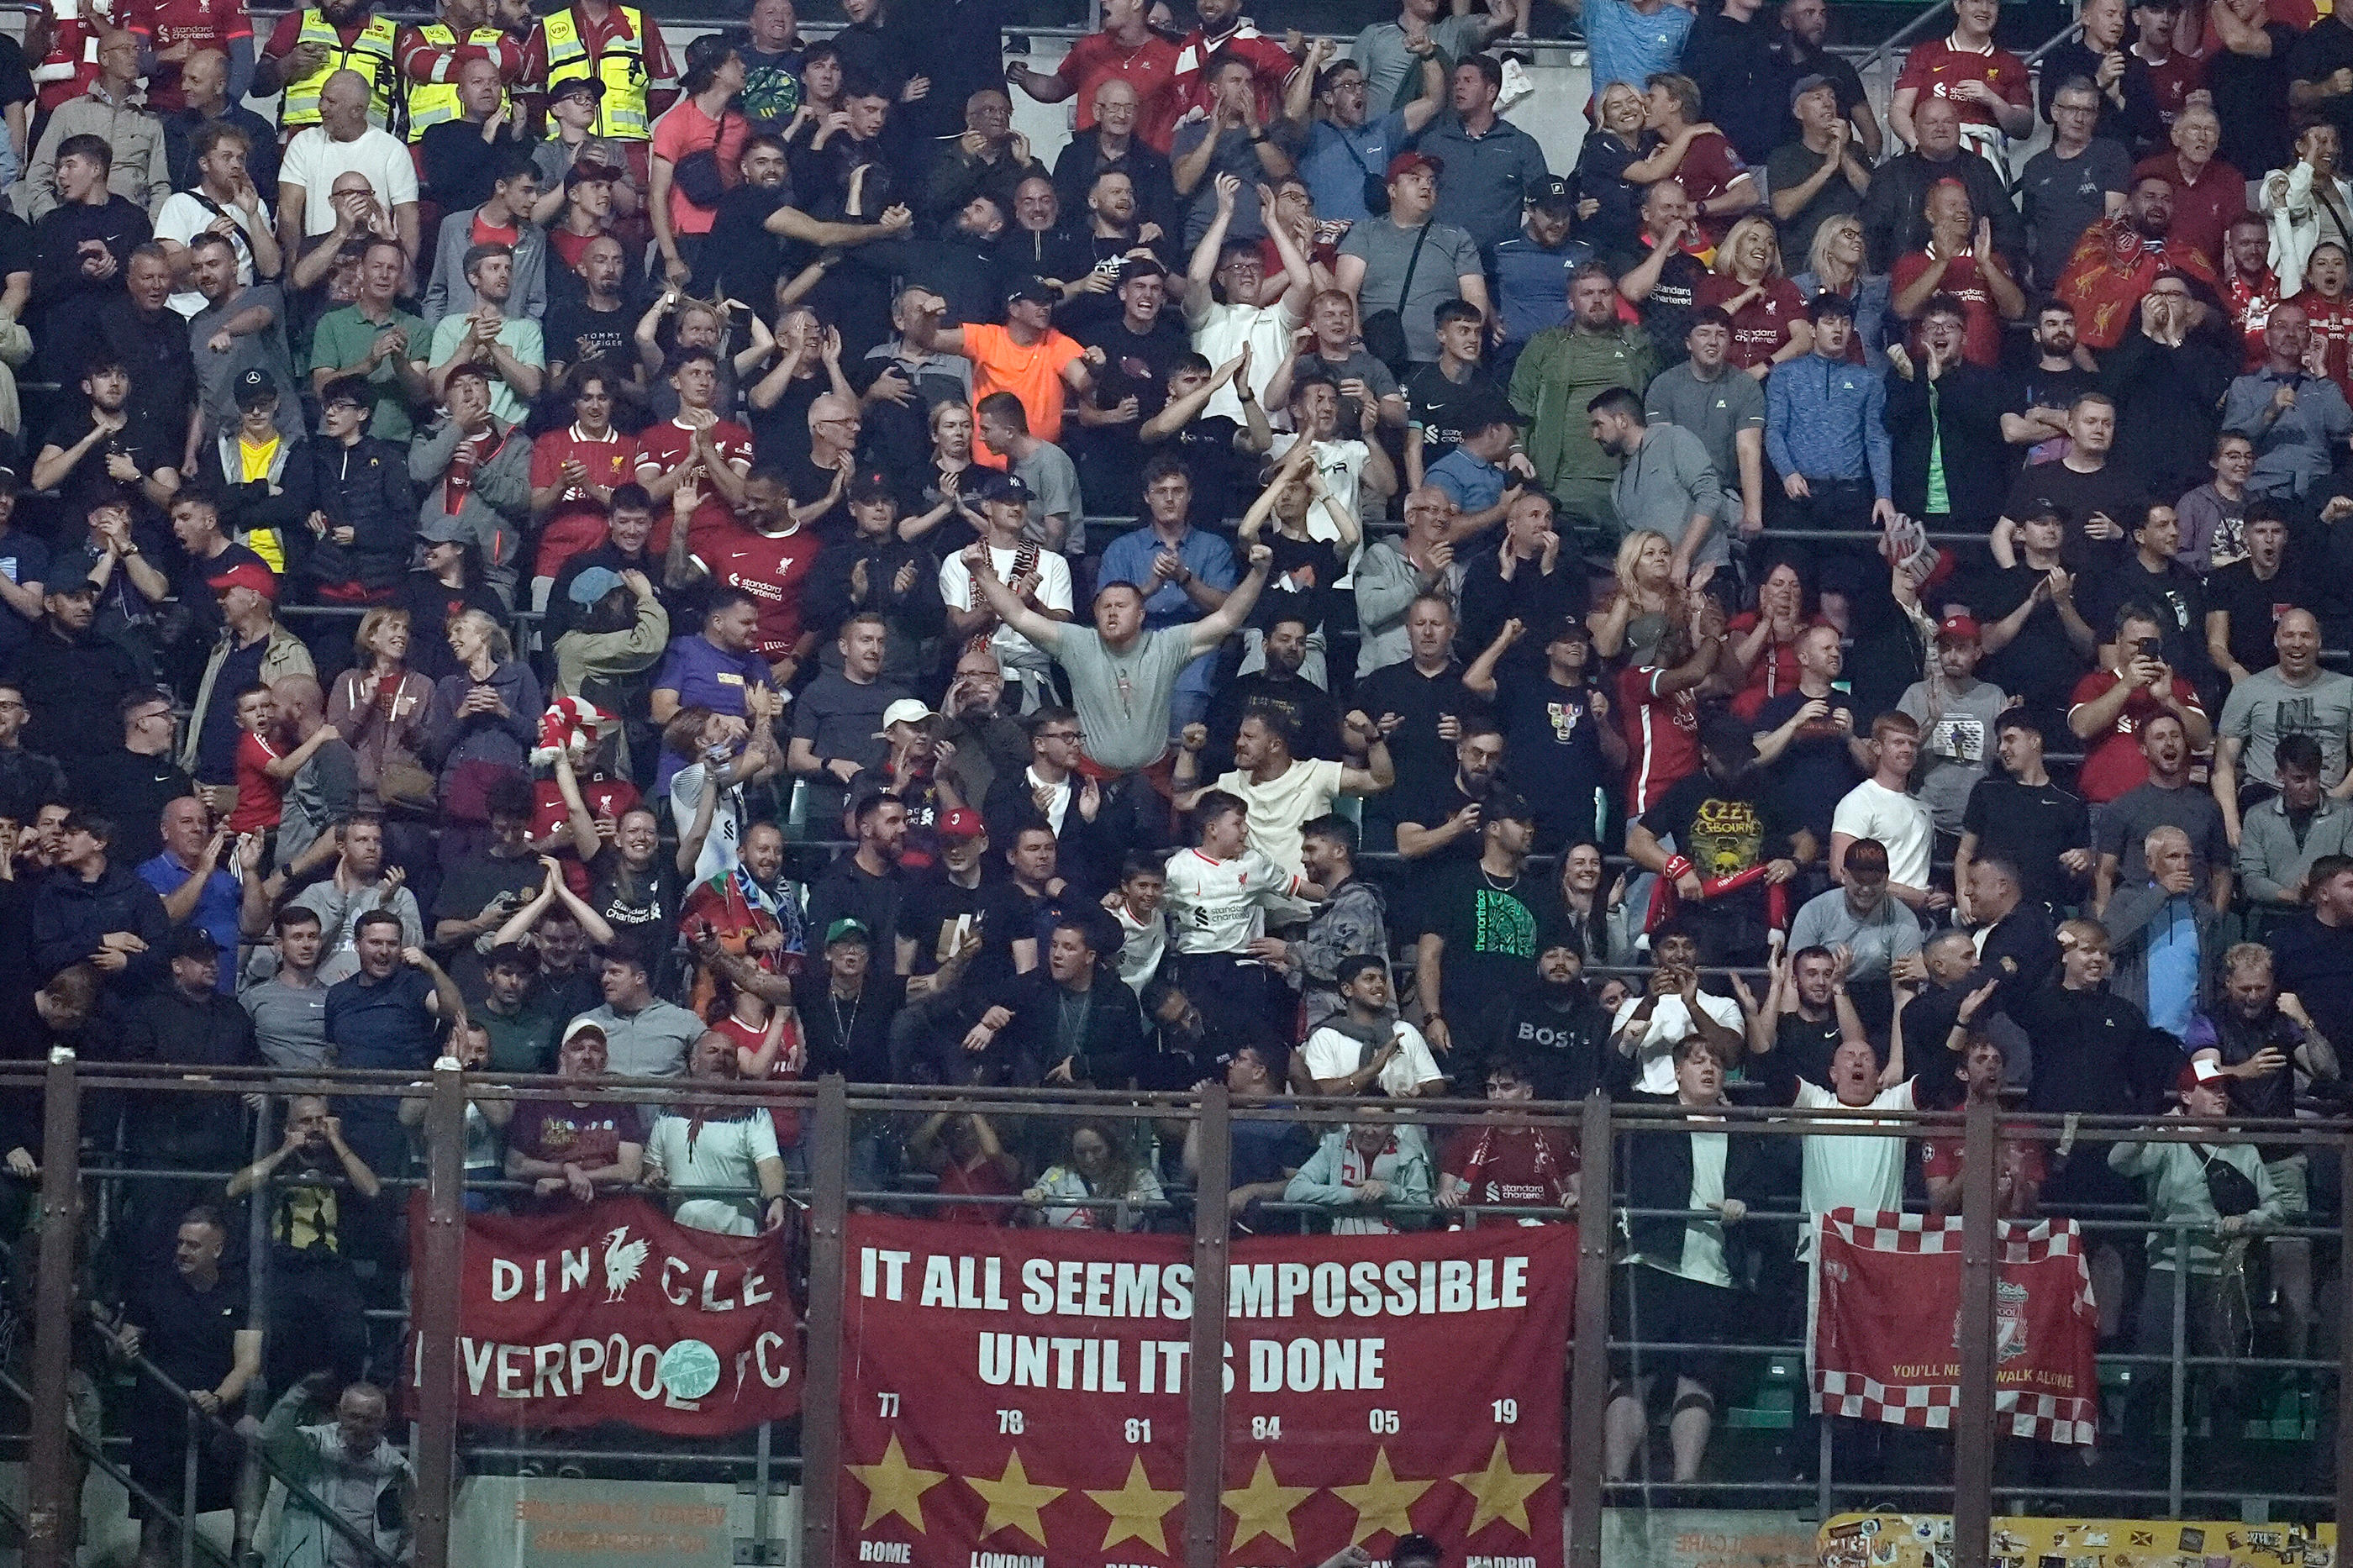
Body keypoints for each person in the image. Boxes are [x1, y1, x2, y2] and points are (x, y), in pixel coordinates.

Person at [1607, 1034, 1765, 1485]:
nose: (1709, 1069)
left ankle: (1685, 1483)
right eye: (1697, 1061)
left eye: (1716, 1062)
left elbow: (1757, 1188)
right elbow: (1605, 1086)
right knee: (1633, 1374)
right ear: (1677, 1071)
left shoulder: (1744, 1130)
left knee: (1698, 1380)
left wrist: (1743, 1204)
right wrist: (1631, 1036)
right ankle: (1614, 1481)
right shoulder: (1651, 1117)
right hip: (1652, 1262)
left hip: (1715, 1270)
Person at [119, 1206, 257, 1568]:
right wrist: (122, 1347)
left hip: (214, 1422)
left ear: (217, 1249)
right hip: (158, 1426)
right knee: (154, 1535)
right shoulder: (153, 1287)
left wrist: (218, 1399)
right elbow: (122, 1346)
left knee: (251, 1438)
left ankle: (244, 1546)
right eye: (180, 1242)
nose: (182, 1251)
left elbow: (248, 1362)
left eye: (193, 1245)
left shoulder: (240, 1292)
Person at [1511, 263, 1656, 545]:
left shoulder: (1637, 344)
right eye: (1587, 293)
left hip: (1628, 483)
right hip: (1562, 486)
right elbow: (1519, 403)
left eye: (1605, 292)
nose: (1597, 299)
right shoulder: (1546, 345)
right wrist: (1517, 451)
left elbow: (1659, 399)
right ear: (1571, 301)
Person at [255, 1376, 411, 1568]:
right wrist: (299, 1393)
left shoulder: (395, 1469)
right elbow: (269, 1437)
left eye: (369, 1420)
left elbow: (407, 1528)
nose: (360, 1426)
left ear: (383, 1421)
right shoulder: (313, 1446)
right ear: (339, 1412)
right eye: (354, 1416)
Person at [641, 1029, 787, 1234]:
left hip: (738, 1235)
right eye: (713, 1051)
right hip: (680, 1238)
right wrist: (652, 1174)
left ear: (736, 1068)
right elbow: (652, 1162)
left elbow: (769, 1162)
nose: (721, 1058)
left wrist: (776, 1200)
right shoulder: (670, 1111)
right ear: (693, 1063)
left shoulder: (753, 1113)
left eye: (728, 1054)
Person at [503, 1018, 645, 1204]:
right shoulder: (536, 1101)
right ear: (563, 1057)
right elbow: (514, 1166)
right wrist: (567, 1169)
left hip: (607, 1208)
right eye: (578, 1048)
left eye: (595, 1049)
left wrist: (568, 1180)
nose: (587, 1056)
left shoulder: (621, 1104)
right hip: (550, 1209)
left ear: (605, 1060)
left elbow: (630, 1171)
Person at [1300, 951, 1444, 1097]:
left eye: (1383, 979)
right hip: (1350, 1118)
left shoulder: (1404, 1030)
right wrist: (1372, 1069)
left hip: (1404, 1118)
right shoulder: (1326, 1037)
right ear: (1347, 989)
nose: (1380, 984)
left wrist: (1422, 1091)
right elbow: (1321, 1092)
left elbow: (1436, 1083)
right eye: (1369, 979)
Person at [1286, 1113, 1434, 1234]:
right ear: (1350, 1123)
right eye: (1362, 1123)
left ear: (1391, 1127)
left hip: (1395, 1250)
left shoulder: (1408, 1155)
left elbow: (1423, 1217)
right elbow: (1294, 1190)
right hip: (1342, 1248)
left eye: (1378, 1124)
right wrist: (1351, 1195)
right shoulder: (1334, 1147)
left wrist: (1389, 1191)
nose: (1369, 1132)